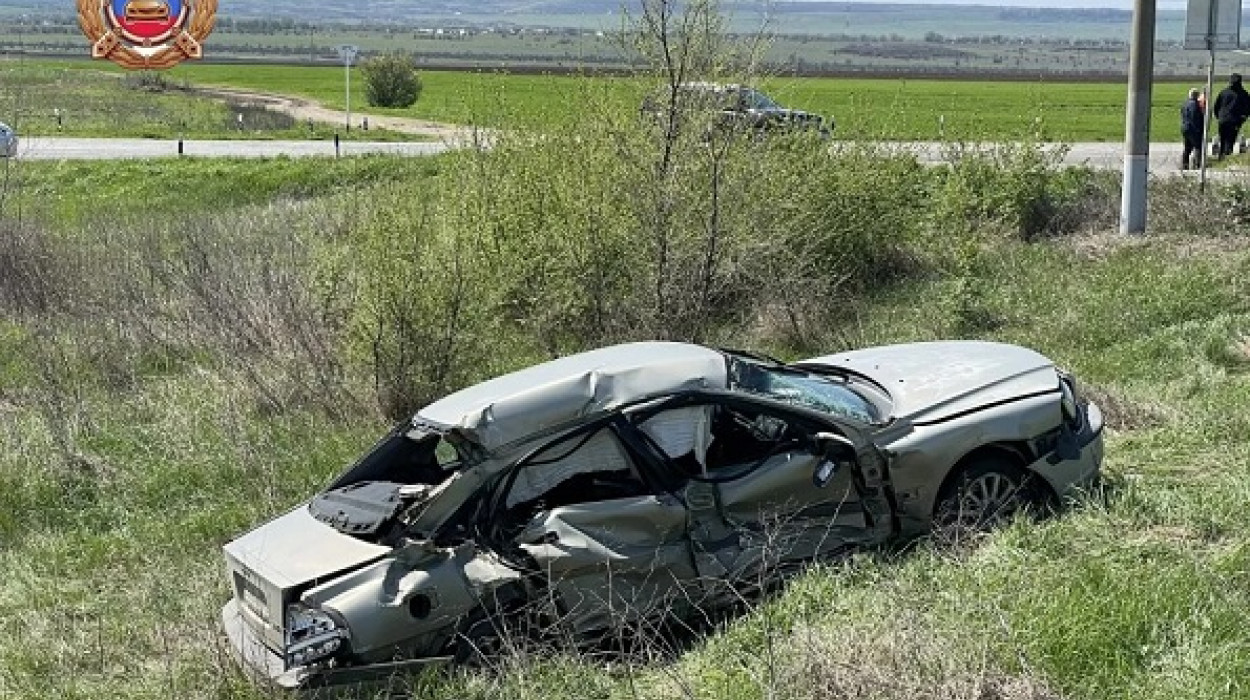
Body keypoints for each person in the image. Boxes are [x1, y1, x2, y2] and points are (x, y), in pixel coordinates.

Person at [1213, 73, 1250, 158]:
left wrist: (1219, 117)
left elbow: (1216, 106)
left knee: (1223, 140)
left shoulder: (1223, 92)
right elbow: (1248, 108)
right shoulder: (1243, 94)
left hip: (1223, 120)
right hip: (1235, 121)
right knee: (1230, 140)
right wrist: (1243, 119)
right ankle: (1226, 157)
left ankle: (1221, 157)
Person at [1181, 88, 1204, 170]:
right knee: (1198, 147)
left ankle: (1185, 165)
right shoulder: (1195, 105)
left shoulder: (1185, 103)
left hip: (1185, 127)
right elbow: (1195, 117)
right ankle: (1198, 165)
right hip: (1193, 129)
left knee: (1187, 148)